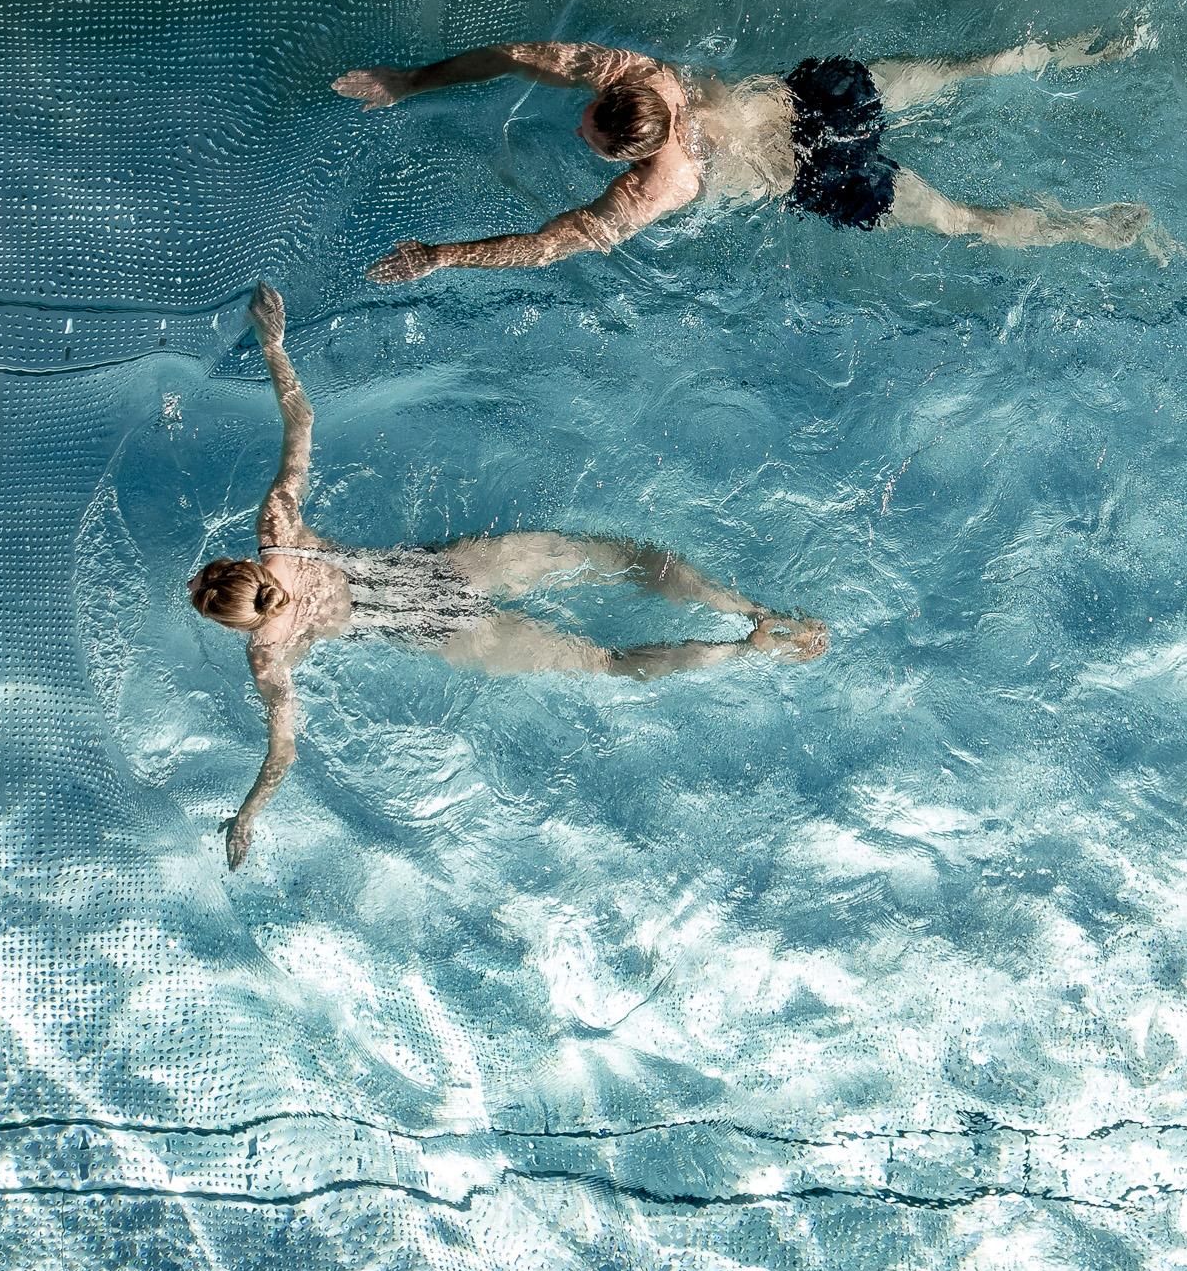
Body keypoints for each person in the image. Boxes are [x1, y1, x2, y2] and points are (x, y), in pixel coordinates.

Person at [191, 285, 824, 865]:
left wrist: (249, 812)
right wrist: (273, 345)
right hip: (445, 569)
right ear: (241, 564)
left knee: (606, 663)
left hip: (435, 630)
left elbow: (284, 753)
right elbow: (301, 423)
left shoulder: (267, 653)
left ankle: (745, 650)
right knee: (611, 556)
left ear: (237, 622)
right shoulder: (279, 533)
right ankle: (745, 606)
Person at [332, 29, 1167, 281]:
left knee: (957, 221)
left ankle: (1101, 232)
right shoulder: (647, 74)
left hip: (817, 174)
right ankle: (1086, 50)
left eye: (588, 133)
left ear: (630, 149)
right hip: (817, 103)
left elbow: (556, 241)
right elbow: (519, 53)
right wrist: (411, 77)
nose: (578, 122)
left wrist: (441, 255)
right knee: (969, 63)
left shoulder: (664, 182)